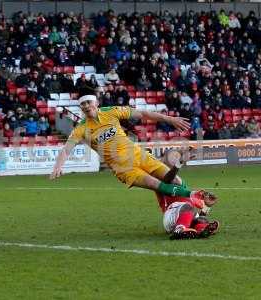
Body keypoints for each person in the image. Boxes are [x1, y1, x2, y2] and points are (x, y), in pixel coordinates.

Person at [50, 93, 215, 221]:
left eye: (88, 102)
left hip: (138, 155)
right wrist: (58, 166)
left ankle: (185, 210)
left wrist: (169, 118)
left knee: (175, 181)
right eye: (82, 104)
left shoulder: (112, 112)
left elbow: (142, 113)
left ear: (96, 103)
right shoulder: (81, 128)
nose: (86, 106)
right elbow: (66, 149)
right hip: (124, 168)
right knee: (158, 185)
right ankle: (196, 197)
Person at [157, 149, 219, 239]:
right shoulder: (162, 177)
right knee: (188, 206)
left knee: (202, 219)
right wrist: (179, 163)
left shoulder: (180, 181)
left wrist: (207, 206)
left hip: (180, 216)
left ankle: (201, 232)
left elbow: (190, 215)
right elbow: (167, 180)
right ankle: (179, 230)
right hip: (170, 215)